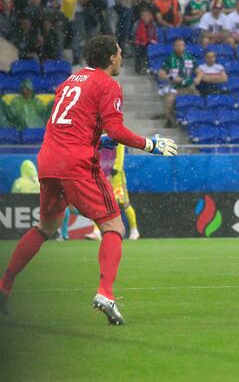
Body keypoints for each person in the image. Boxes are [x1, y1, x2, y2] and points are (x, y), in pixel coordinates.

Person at [0, 35, 177, 323]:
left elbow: (70, 123)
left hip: (48, 159)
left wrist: (98, 140)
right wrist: (150, 144)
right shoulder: (108, 84)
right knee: (113, 225)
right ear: (111, 58)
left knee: (45, 227)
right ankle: (105, 293)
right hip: (77, 163)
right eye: (120, 53)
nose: (121, 57)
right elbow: (118, 131)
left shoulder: (70, 81)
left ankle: (4, 285)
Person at [85, 143, 142, 241]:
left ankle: (134, 230)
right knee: (100, 202)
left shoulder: (118, 141)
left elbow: (119, 160)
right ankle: (96, 232)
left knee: (124, 203)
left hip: (117, 180)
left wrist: (112, 174)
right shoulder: (100, 138)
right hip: (103, 175)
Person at [157, 38, 199, 127]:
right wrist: (170, 77)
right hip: (175, 86)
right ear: (174, 47)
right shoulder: (170, 58)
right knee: (169, 100)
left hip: (189, 85)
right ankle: (169, 120)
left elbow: (199, 71)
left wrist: (198, 78)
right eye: (177, 45)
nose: (179, 47)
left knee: (198, 99)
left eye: (181, 45)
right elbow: (161, 73)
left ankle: (196, 120)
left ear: (184, 46)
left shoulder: (189, 57)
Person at [133, 8, 159, 74]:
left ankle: (150, 67)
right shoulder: (137, 24)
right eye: (143, 15)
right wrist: (140, 41)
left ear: (150, 16)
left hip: (150, 42)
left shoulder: (153, 24)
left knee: (151, 47)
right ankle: (139, 68)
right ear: (140, 16)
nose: (145, 17)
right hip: (140, 42)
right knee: (139, 49)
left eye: (147, 15)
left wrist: (151, 40)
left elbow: (155, 35)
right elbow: (135, 36)